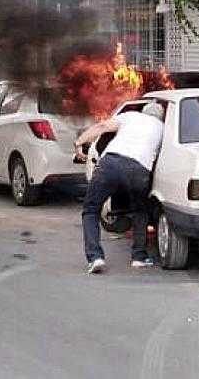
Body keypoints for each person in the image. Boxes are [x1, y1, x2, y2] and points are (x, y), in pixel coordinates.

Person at [75, 102, 165, 274]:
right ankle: (139, 257)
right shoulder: (162, 128)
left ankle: (95, 258)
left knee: (91, 210)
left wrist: (79, 142)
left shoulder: (130, 116)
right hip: (140, 170)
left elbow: (102, 126)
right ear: (160, 117)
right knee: (141, 211)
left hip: (111, 164)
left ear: (144, 112)